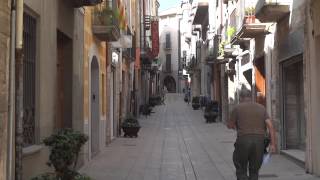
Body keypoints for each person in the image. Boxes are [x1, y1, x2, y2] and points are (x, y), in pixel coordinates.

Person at [226, 87, 276, 180]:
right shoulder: (261, 108)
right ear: (251, 97)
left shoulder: (237, 108)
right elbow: (270, 126)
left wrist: (235, 126)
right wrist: (273, 144)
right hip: (259, 142)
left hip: (243, 141)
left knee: (241, 168)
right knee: (254, 170)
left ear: (240, 98)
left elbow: (230, 125)